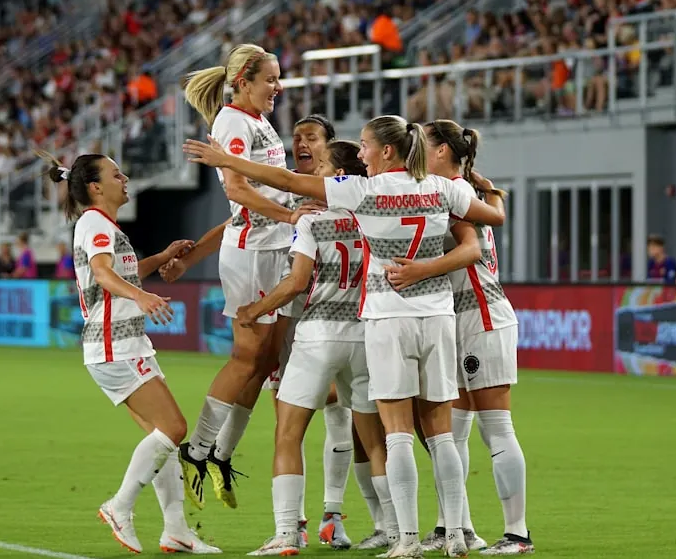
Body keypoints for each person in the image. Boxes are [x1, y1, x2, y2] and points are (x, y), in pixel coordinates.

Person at [184, 114, 508, 559]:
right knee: (438, 435)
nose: (360, 152)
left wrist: (226, 160)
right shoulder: (443, 189)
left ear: (387, 151)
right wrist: (485, 187)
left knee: (383, 436)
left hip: (376, 322)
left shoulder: (362, 194)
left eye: (365, 144)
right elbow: (492, 218)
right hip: (434, 318)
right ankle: (454, 534)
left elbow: (285, 183)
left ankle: (397, 538)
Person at [160, 114, 355, 547]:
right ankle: (293, 520)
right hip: (294, 315)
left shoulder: (339, 189)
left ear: (330, 146)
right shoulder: (282, 188)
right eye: (297, 137)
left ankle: (333, 515)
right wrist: (193, 258)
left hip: (326, 314)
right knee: (290, 415)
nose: (303, 144)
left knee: (337, 414)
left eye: (313, 138)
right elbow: (239, 221)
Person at [42, 152, 219, 554]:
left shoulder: (102, 225)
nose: (125, 179)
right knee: (173, 428)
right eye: (116, 174)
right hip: (114, 345)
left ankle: (176, 531)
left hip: (121, 344)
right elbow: (104, 274)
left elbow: (120, 271)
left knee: (163, 438)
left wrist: (161, 258)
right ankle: (120, 506)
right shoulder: (93, 223)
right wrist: (142, 297)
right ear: (95, 187)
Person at [177, 44, 322, 512]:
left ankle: (221, 454)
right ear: (242, 80)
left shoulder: (258, 121)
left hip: (274, 247)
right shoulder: (233, 122)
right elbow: (238, 190)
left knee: (264, 365)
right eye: (271, 80)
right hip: (253, 254)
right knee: (246, 358)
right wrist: (290, 215)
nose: (278, 87)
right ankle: (196, 449)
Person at [387, 120, 532, 556]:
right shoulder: (458, 191)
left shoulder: (455, 197)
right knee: (455, 433)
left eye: (423, 145)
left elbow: (469, 247)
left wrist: (418, 271)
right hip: (456, 318)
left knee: (496, 427)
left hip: (480, 317)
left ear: (444, 152)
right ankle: (456, 525)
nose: (415, 151)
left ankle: (517, 533)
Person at [234, 141, 383, 556]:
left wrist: (256, 309)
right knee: (373, 440)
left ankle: (286, 533)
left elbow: (297, 282)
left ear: (337, 176)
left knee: (288, 432)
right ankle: (393, 527)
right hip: (365, 336)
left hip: (318, 335)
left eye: (321, 166)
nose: (313, 171)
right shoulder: (374, 217)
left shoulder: (312, 222)